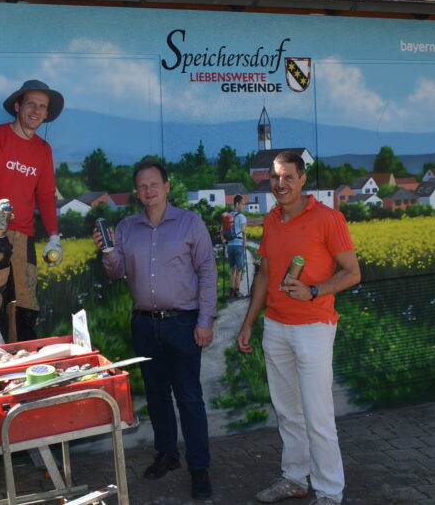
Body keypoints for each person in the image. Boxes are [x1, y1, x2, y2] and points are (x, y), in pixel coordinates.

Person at [236, 151, 361, 505]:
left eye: (288, 177)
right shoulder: (272, 220)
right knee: (288, 412)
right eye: (275, 178)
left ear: (303, 179)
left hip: (314, 328)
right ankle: (294, 477)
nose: (281, 184)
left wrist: (314, 291)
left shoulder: (328, 218)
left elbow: (353, 273)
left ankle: (330, 492)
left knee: (318, 417)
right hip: (275, 327)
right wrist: (248, 324)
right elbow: (263, 275)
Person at [94, 160, 216, 500]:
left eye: (154, 184)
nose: (148, 190)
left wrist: (205, 320)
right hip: (145, 325)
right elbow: (116, 272)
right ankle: (167, 455)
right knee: (158, 396)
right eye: (142, 186)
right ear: (137, 193)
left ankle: (199, 468)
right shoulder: (127, 227)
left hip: (183, 323)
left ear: (167, 186)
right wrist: (107, 249)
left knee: (190, 398)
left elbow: (207, 271)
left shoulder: (190, 223)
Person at [0, 79, 64, 342]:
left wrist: (54, 235)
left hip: (23, 234)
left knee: (26, 307)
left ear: (46, 113)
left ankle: (25, 363)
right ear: (18, 106)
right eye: (31, 103)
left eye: (42, 106)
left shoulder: (43, 150)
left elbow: (45, 196)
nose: (36, 110)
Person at [224, 194, 248, 299]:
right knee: (239, 270)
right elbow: (243, 231)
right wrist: (245, 242)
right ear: (237, 204)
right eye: (242, 204)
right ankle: (237, 291)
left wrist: (224, 240)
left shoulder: (228, 216)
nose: (244, 206)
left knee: (232, 270)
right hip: (238, 245)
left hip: (230, 245)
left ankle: (231, 291)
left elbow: (222, 231)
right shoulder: (242, 217)